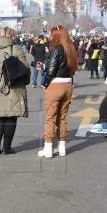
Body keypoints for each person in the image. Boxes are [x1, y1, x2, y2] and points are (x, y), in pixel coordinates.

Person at [0, 27, 29, 155]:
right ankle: (7, 147)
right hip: (13, 85)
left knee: (0, 118)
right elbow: (25, 68)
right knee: (11, 117)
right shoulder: (16, 49)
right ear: (11, 36)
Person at [39, 26, 78, 158]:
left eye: (51, 35)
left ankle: (48, 147)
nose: (50, 37)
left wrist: (44, 84)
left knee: (50, 117)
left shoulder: (56, 49)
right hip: (68, 84)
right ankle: (62, 148)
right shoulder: (70, 49)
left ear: (56, 36)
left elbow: (51, 70)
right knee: (62, 118)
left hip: (55, 84)